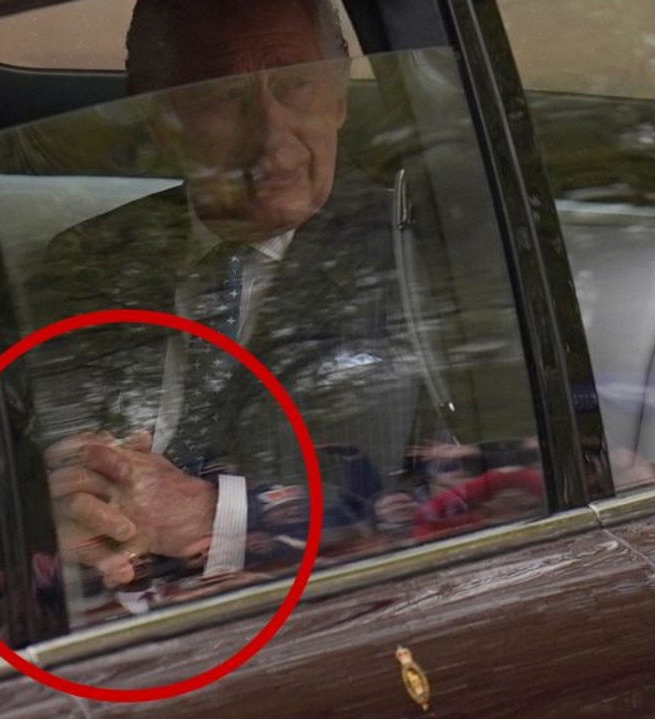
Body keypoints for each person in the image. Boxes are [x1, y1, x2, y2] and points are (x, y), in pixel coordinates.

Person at [29, 0, 437, 600]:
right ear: (158, 115)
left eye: (295, 83)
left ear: (340, 97)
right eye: (225, 95)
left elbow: (481, 495)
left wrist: (211, 516)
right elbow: (5, 468)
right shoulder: (88, 259)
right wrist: (61, 520)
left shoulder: (422, 250)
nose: (271, 136)